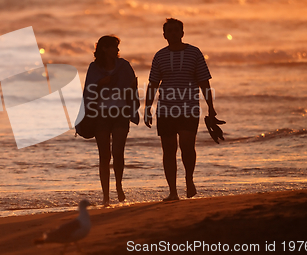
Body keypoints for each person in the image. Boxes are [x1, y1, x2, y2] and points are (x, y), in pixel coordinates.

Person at [144, 18, 218, 201]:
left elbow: (203, 81)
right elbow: (153, 83)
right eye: (170, 31)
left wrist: (211, 107)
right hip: (165, 110)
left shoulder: (194, 53)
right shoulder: (159, 56)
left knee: (187, 146)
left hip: (189, 108)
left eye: (177, 30)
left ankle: (189, 179)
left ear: (182, 33)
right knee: (168, 151)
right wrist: (147, 107)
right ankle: (173, 192)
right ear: (164, 35)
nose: (174, 33)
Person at [82, 35, 139, 206]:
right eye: (114, 47)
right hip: (101, 115)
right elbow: (87, 92)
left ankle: (119, 186)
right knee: (104, 156)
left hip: (121, 112)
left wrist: (131, 89)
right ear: (104, 49)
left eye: (117, 47)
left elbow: (133, 89)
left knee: (118, 152)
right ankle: (106, 196)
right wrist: (100, 84)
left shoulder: (124, 66)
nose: (117, 50)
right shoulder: (94, 68)